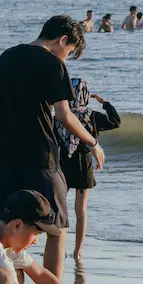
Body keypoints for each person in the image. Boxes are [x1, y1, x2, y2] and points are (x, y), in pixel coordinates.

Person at [0, 15, 104, 284]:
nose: (67, 57)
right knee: (57, 229)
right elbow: (63, 115)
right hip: (41, 157)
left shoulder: (8, 56)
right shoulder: (53, 65)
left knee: (10, 230)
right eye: (70, 51)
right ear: (63, 40)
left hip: (5, 156)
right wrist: (91, 142)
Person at [55, 79, 121, 261]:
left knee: (60, 207)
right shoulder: (91, 115)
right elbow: (115, 122)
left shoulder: (60, 116)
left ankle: (57, 246)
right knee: (80, 210)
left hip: (63, 164)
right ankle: (77, 251)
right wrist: (105, 103)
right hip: (84, 165)